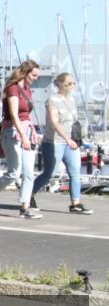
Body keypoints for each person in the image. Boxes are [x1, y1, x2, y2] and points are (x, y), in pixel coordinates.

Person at [0, 60, 42, 219]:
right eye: (34, 75)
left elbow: (25, 114)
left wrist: (29, 135)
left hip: (27, 131)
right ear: (25, 72)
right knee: (14, 172)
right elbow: (14, 115)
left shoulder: (28, 90)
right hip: (12, 131)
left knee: (29, 173)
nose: (36, 78)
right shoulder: (12, 89)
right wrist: (22, 136)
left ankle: (24, 207)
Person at [31, 73, 93, 215]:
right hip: (53, 142)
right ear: (59, 83)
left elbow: (72, 122)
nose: (72, 86)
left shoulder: (72, 100)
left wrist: (76, 138)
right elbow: (53, 122)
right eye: (69, 83)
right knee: (49, 173)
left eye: (73, 83)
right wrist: (67, 139)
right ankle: (30, 195)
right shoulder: (52, 100)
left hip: (71, 143)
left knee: (75, 173)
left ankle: (75, 203)